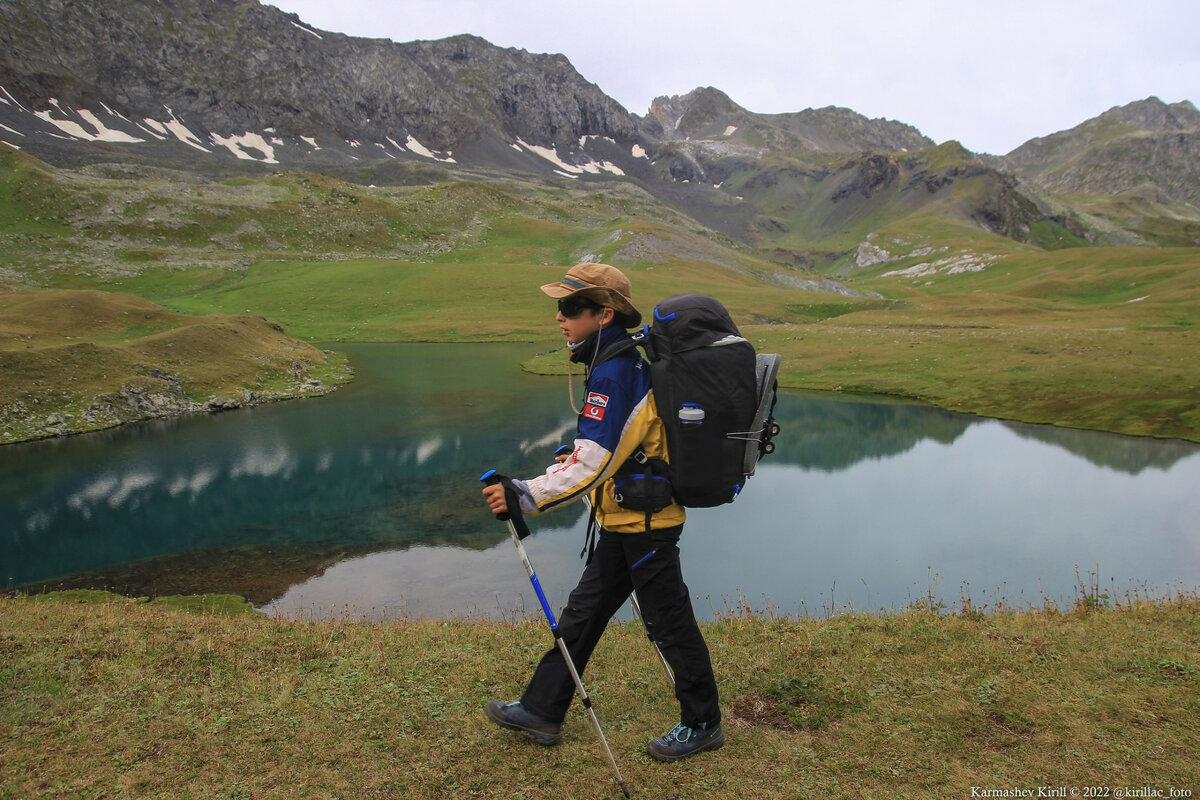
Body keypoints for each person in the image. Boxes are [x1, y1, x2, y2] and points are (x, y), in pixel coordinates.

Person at [480, 262, 723, 763]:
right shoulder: (618, 361)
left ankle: (703, 723)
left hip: (647, 526)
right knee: (584, 613)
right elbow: (614, 447)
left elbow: (595, 461)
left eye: (571, 308)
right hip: (628, 519)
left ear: (604, 313)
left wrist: (524, 492)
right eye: (560, 308)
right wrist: (574, 458)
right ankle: (542, 709)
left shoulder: (614, 370)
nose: (560, 318)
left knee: (669, 622)